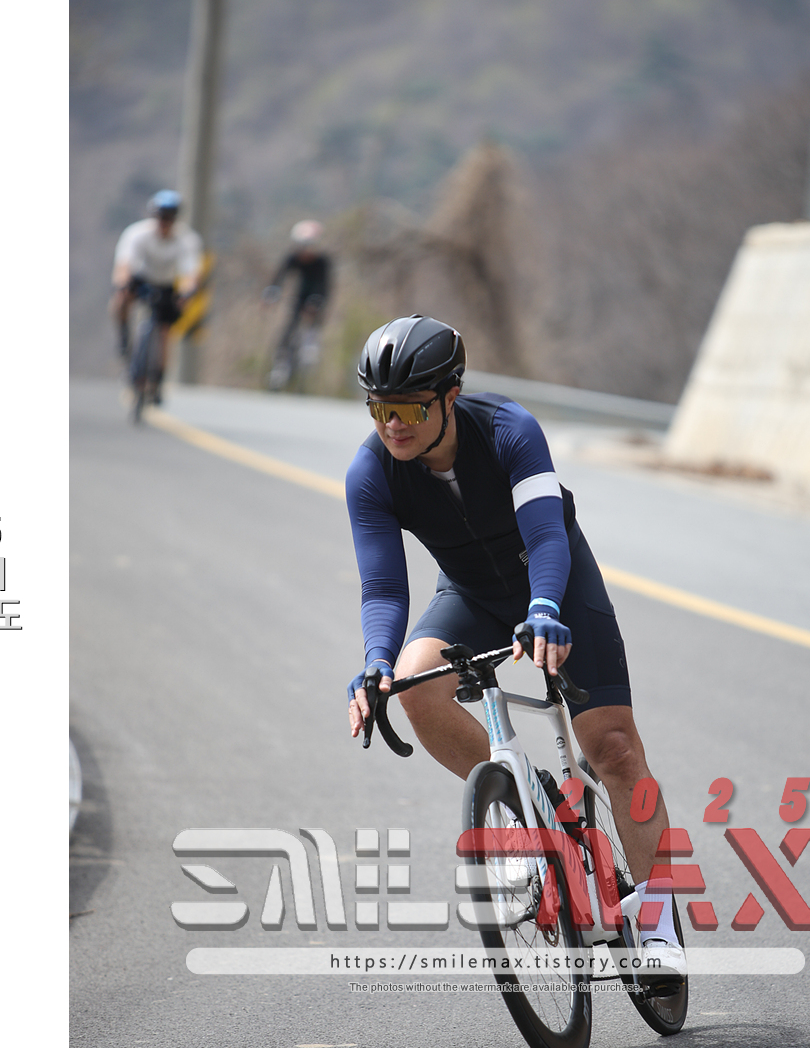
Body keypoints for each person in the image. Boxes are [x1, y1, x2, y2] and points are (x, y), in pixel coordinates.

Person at [344, 314, 685, 977]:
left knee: (613, 746)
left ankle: (660, 927)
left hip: (555, 583)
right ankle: (526, 807)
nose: (393, 425)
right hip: (471, 594)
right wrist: (376, 662)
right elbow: (383, 587)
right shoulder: (372, 472)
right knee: (415, 682)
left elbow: (548, 534)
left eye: (409, 407)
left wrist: (545, 608)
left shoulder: (508, 429)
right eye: (380, 408)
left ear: (450, 395)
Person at [111, 190, 204, 404]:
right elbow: (124, 265)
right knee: (120, 299)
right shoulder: (137, 234)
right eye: (161, 217)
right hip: (141, 279)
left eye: (169, 218)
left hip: (167, 285)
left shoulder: (187, 240)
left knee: (164, 331)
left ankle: (158, 379)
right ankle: (123, 336)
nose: (164, 223)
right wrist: (122, 285)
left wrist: (187, 292)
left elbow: (191, 274)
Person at [262, 220, 333, 390]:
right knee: (289, 328)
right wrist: (271, 294)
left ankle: (310, 350)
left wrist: (317, 302)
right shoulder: (293, 258)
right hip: (300, 296)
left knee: (312, 324)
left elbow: (325, 285)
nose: (304, 251)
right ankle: (280, 365)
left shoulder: (322, 261)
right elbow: (279, 277)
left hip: (317, 296)